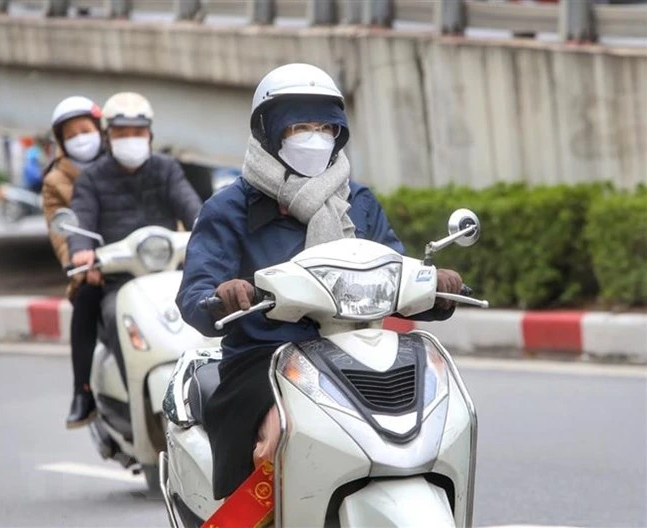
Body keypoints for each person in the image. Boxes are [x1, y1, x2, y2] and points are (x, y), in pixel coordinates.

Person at [176, 63, 464, 501]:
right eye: (299, 126)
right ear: (270, 132)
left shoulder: (359, 202)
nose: (315, 137)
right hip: (264, 359)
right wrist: (222, 297)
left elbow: (392, 268)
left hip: (358, 353)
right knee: (278, 441)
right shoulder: (229, 208)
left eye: (325, 126)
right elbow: (195, 295)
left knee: (436, 420)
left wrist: (435, 287)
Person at [68, 91, 202, 390]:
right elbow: (81, 219)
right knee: (112, 313)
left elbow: (193, 209)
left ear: (150, 135)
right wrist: (82, 251)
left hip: (170, 273)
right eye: (122, 133)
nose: (131, 138)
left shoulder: (166, 169)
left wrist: (210, 231)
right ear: (108, 137)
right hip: (118, 280)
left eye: (137, 132)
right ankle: (100, 392)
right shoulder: (91, 178)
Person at [42, 95, 105, 428]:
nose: (81, 137)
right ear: (62, 142)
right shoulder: (55, 182)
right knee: (85, 302)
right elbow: (61, 234)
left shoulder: (126, 164)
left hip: (143, 255)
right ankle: (82, 391)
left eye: (86, 129)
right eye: (72, 134)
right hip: (93, 266)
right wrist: (81, 265)